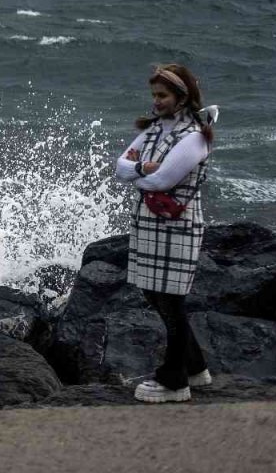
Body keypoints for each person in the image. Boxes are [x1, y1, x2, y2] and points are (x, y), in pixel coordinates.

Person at [115, 63, 215, 404]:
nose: (156, 101)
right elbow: (120, 167)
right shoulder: (155, 130)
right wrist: (141, 168)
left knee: (171, 302)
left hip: (178, 226)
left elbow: (163, 180)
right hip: (150, 222)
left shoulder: (194, 138)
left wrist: (139, 176)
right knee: (154, 293)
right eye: (154, 95)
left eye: (163, 95)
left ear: (182, 98)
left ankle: (174, 381)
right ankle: (196, 368)